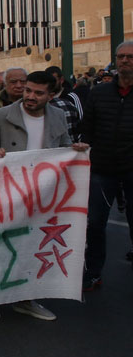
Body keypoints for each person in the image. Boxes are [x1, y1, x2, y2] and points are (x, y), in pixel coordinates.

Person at [0, 70, 88, 320]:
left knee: (32, 247)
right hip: (8, 194)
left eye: (38, 93)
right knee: (2, 245)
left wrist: (75, 151)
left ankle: (26, 299)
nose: (30, 96)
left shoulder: (59, 116)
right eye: (28, 90)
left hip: (43, 197)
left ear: (51, 95)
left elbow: (63, 148)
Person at [78, 41, 133, 291]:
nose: (125, 61)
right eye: (121, 57)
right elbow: (87, 129)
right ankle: (93, 272)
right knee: (95, 224)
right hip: (102, 169)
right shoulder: (98, 93)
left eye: (130, 57)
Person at [46, 65, 83, 143]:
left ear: (61, 80)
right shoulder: (44, 97)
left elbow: (81, 120)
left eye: (53, 81)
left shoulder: (71, 96)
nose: (50, 84)